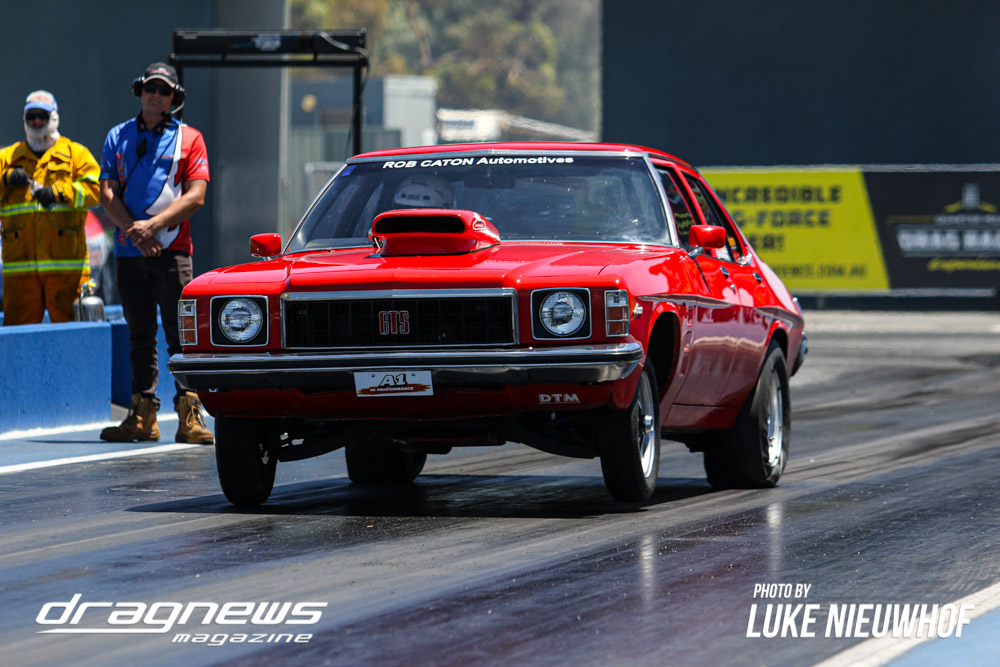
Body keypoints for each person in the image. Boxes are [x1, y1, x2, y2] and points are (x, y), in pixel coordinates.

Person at [98, 63, 213, 444]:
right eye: (150, 88)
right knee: (140, 333)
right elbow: (107, 193)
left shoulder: (190, 138)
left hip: (173, 250)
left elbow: (196, 196)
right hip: (131, 251)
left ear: (174, 98)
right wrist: (137, 233)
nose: (155, 96)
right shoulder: (117, 135)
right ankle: (142, 415)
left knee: (182, 334)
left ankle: (190, 414)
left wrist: (153, 227)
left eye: (164, 91)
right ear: (140, 91)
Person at [0, 90, 100, 324]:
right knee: (20, 338)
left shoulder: (76, 154)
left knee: (73, 336)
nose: (36, 121)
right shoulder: (8, 157)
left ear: (54, 118)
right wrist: (5, 178)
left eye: (42, 116)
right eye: (31, 116)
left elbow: (96, 190)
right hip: (21, 273)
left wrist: (59, 193)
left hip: (67, 271)